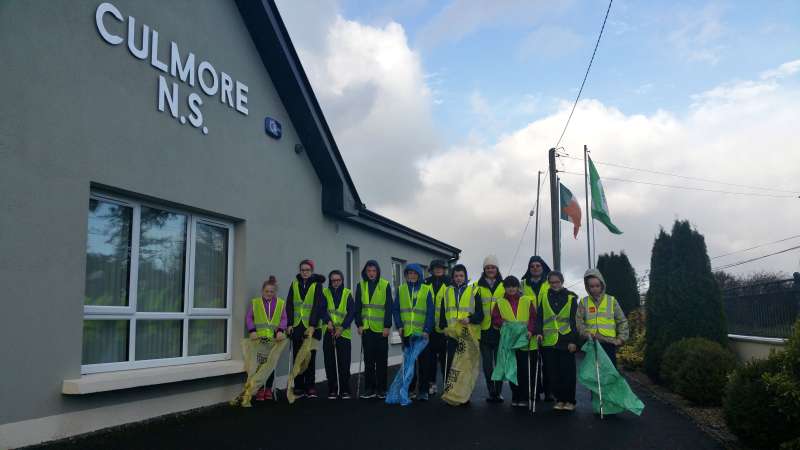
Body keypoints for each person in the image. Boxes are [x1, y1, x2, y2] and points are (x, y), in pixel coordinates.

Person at [536, 271, 580, 411]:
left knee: (568, 373)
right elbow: (540, 317)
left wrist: (574, 341)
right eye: (551, 282)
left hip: (566, 340)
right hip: (549, 341)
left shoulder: (571, 297)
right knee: (552, 373)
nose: (554, 285)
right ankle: (560, 399)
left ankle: (570, 401)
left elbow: (575, 321)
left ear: (562, 281)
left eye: (557, 282)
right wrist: (539, 332)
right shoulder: (544, 297)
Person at [390, 263, 434, 403]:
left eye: (415, 273)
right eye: (409, 273)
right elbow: (396, 309)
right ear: (406, 275)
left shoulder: (426, 289)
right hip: (407, 333)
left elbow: (430, 312)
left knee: (424, 364)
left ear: (419, 275)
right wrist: (399, 326)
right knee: (409, 363)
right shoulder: (401, 289)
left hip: (422, 334)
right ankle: (410, 390)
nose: (412, 276)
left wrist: (427, 329)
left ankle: (423, 391)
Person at [492, 276, 537, 408]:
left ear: (518, 287)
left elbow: (533, 318)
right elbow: (495, 318)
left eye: (514, 286)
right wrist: (502, 322)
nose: (511, 289)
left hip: (524, 340)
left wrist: (530, 331)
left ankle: (524, 397)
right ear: (505, 288)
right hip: (509, 341)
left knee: (524, 369)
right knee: (511, 369)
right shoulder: (500, 302)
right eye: (508, 286)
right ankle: (515, 396)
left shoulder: (527, 300)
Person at [286, 259, 326, 399]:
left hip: (311, 327)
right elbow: (289, 305)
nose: (305, 272)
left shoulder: (317, 285)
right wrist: (289, 323)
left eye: (307, 270)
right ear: (300, 271)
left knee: (310, 357)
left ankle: (310, 386)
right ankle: (298, 386)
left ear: (312, 271)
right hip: (297, 326)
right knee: (298, 357)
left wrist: (312, 325)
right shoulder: (294, 284)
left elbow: (317, 305)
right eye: (302, 270)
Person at [244, 276, 288, 402]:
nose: (269, 293)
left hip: (274, 340)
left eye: (271, 291)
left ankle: (268, 388)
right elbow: (249, 317)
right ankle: (259, 389)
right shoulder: (256, 302)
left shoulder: (280, 303)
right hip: (260, 340)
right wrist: (252, 330)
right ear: (262, 291)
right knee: (260, 364)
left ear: (275, 292)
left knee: (270, 365)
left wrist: (280, 330)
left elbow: (284, 319)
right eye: (267, 291)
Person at [355, 260, 393, 399]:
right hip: (367, 329)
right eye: (369, 271)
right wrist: (359, 324)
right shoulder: (360, 286)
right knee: (369, 361)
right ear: (365, 272)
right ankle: (369, 389)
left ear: (378, 272)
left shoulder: (385, 285)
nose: (371, 273)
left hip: (381, 330)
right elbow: (357, 307)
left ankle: (382, 389)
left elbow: (389, 307)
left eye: (374, 271)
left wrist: (387, 326)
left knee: (381, 361)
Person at [577, 268, 629, 367]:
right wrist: (585, 333)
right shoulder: (584, 302)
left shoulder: (611, 300)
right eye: (591, 286)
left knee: (609, 371)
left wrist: (621, 338)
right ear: (587, 287)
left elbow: (622, 320)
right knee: (593, 372)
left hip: (609, 343)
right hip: (591, 343)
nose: (595, 288)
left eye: (597, 286)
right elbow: (579, 321)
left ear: (602, 285)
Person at [520, 255, 553, 401]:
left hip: (547, 327)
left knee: (548, 363)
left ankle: (549, 391)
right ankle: (535, 390)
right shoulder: (522, 284)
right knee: (533, 362)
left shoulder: (550, 282)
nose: (535, 268)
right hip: (530, 327)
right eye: (532, 266)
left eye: (538, 265)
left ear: (543, 267)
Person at [474, 255, 505, 403]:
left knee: (499, 364)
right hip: (484, 330)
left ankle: (498, 392)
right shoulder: (476, 286)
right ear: (484, 269)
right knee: (487, 365)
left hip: (500, 330)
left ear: (497, 269)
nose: (490, 270)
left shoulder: (504, 285)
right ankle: (491, 391)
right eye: (487, 267)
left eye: (493, 267)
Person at [443, 264, 483, 376]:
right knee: (451, 364)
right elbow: (443, 312)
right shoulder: (447, 291)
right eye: (456, 276)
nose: (459, 278)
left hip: (468, 334)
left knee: (465, 366)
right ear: (453, 277)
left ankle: (463, 388)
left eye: (461, 276)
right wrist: (444, 327)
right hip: (452, 334)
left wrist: (470, 319)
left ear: (465, 277)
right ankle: (450, 387)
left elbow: (480, 314)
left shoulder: (474, 290)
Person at [321, 270, 355, 399]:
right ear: (330, 281)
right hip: (329, 331)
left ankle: (345, 389)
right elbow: (322, 309)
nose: (336, 282)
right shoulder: (325, 292)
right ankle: (332, 389)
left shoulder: (347, 293)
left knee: (344, 362)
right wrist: (327, 321)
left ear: (342, 280)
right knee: (330, 362)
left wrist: (342, 327)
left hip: (343, 333)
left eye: (338, 280)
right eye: (333, 280)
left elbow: (351, 312)